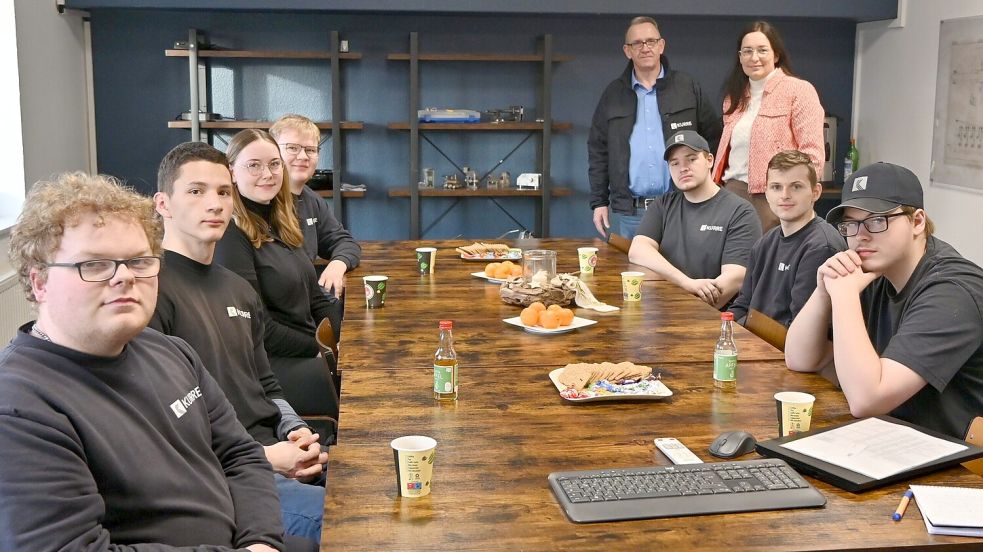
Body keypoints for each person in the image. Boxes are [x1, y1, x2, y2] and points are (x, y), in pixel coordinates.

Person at [0, 172, 283, 551]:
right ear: (40, 283)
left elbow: (241, 456)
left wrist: (261, 541)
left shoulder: (170, 351)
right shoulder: (18, 408)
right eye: (95, 265)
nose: (124, 277)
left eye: (137, 261)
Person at [150, 142, 327, 546]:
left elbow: (266, 385)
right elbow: (161, 430)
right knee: (345, 522)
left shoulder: (236, 289)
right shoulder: (150, 291)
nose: (214, 204)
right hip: (222, 476)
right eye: (196, 191)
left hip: (274, 452)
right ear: (164, 203)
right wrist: (268, 459)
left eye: (223, 192)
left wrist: (297, 432)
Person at [786, 162, 983, 439]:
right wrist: (822, 291)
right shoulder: (872, 268)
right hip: (892, 438)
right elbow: (800, 359)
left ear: (917, 222)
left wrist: (843, 294)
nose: (860, 236)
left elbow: (866, 400)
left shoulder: (952, 290)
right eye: (851, 224)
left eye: (877, 221)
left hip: (957, 465)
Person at [213, 129, 339, 441]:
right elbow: (259, 328)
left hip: (307, 348)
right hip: (271, 366)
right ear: (231, 172)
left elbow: (315, 298)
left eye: (274, 164)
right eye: (253, 165)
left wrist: (345, 337)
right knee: (357, 392)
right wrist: (320, 348)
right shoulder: (231, 234)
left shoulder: (282, 220)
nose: (267, 174)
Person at [588, 15, 722, 240]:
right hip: (632, 212)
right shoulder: (613, 95)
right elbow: (598, 151)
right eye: (637, 43)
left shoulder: (687, 87)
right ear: (627, 51)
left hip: (684, 206)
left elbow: (715, 139)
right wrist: (599, 201)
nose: (645, 48)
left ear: (661, 45)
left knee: (681, 274)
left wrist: (710, 191)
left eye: (651, 41)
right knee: (634, 275)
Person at [628, 130, 761, 309]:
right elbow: (637, 250)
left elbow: (734, 279)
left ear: (710, 160)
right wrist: (686, 283)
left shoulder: (740, 211)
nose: (683, 168)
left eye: (691, 159)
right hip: (662, 308)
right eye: (675, 163)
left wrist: (684, 302)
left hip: (712, 317)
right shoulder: (663, 205)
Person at [713, 20, 824, 233]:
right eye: (747, 51)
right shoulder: (733, 97)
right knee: (733, 262)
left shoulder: (799, 90)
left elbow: (813, 156)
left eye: (762, 50)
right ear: (740, 57)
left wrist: (791, 195)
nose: (754, 57)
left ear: (775, 55)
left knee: (770, 262)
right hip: (731, 194)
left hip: (774, 198)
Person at [728, 150, 846, 327]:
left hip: (785, 352)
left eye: (796, 186)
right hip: (753, 343)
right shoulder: (764, 243)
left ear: (815, 192)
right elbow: (742, 305)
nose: (785, 195)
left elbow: (801, 329)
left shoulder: (821, 247)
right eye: (776, 187)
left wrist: (746, 326)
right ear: (766, 192)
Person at [269, 113, 361, 295]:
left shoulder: (311, 199)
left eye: (310, 150)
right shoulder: (263, 201)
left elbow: (344, 242)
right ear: (272, 152)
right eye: (292, 148)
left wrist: (338, 263)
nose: (303, 156)